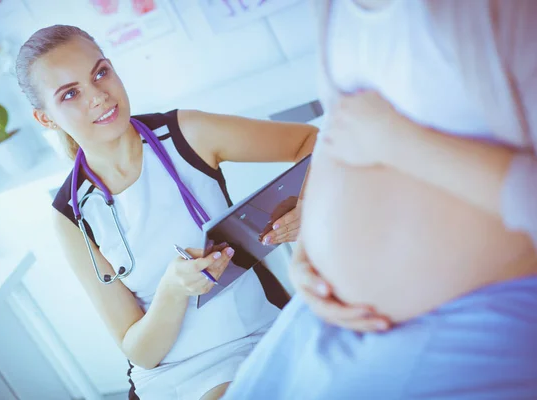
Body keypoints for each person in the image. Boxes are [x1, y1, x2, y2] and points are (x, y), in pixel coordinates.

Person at [223, 0, 537, 398]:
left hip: (475, 317)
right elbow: (343, 130)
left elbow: (373, 133)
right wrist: (309, 255)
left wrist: (400, 143)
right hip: (322, 315)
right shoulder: (336, 10)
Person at [15, 25, 317, 400]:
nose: (98, 97)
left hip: (253, 334)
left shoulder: (186, 134)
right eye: (71, 93)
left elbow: (312, 141)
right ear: (45, 118)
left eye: (100, 73)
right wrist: (173, 290)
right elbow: (141, 352)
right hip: (174, 375)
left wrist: (311, 205)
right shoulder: (71, 217)